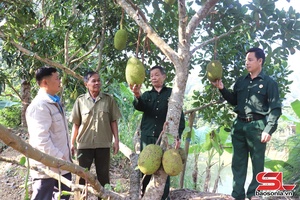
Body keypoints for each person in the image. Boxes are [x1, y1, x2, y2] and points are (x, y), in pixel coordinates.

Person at [212, 47, 282, 200]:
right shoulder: (241, 82)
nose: (246, 63)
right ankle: (237, 194)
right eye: (246, 60)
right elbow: (234, 101)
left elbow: (275, 109)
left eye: (250, 60)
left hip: (257, 126)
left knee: (258, 163)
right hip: (239, 126)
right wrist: (222, 89)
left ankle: (254, 194)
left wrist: (268, 129)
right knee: (238, 163)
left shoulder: (269, 83)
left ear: (260, 61)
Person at [130, 65, 185, 200]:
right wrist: (137, 94)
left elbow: (179, 116)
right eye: (151, 76)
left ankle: (163, 197)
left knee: (164, 169)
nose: (153, 78)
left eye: (156, 74)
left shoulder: (172, 94)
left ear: (164, 76)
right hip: (147, 136)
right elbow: (139, 106)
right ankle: (146, 195)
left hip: (165, 137)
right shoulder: (147, 95)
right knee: (147, 167)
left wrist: (178, 136)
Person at [69, 71, 121, 197]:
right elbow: (76, 124)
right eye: (93, 81)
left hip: (103, 144)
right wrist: (72, 143)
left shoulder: (108, 100)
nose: (97, 83)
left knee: (103, 177)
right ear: (86, 84)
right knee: (81, 177)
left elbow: (113, 121)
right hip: (84, 145)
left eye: (98, 80)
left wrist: (116, 141)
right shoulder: (80, 101)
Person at [26, 66, 72, 200]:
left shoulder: (55, 102)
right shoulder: (39, 106)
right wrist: (59, 157)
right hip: (47, 171)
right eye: (57, 79)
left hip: (62, 167)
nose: (60, 82)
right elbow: (40, 140)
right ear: (45, 83)